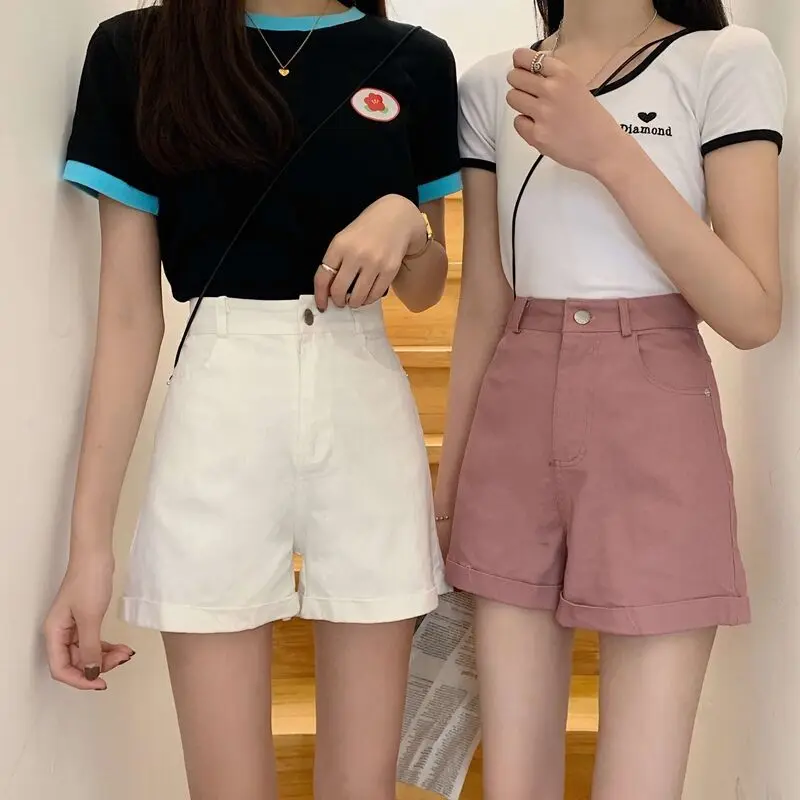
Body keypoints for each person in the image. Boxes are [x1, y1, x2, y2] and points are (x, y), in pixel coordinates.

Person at [43, 1, 461, 797]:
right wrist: (88, 547)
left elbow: (424, 286)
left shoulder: (414, 57)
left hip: (364, 404)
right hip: (218, 405)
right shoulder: (140, 49)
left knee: (363, 785)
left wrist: (407, 220)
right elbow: (128, 316)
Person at [435, 0, 786, 798]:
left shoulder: (725, 59)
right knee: (513, 782)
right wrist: (449, 492)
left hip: (654, 410)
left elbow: (752, 311)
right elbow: (484, 301)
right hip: (511, 413)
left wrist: (608, 152)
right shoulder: (492, 84)